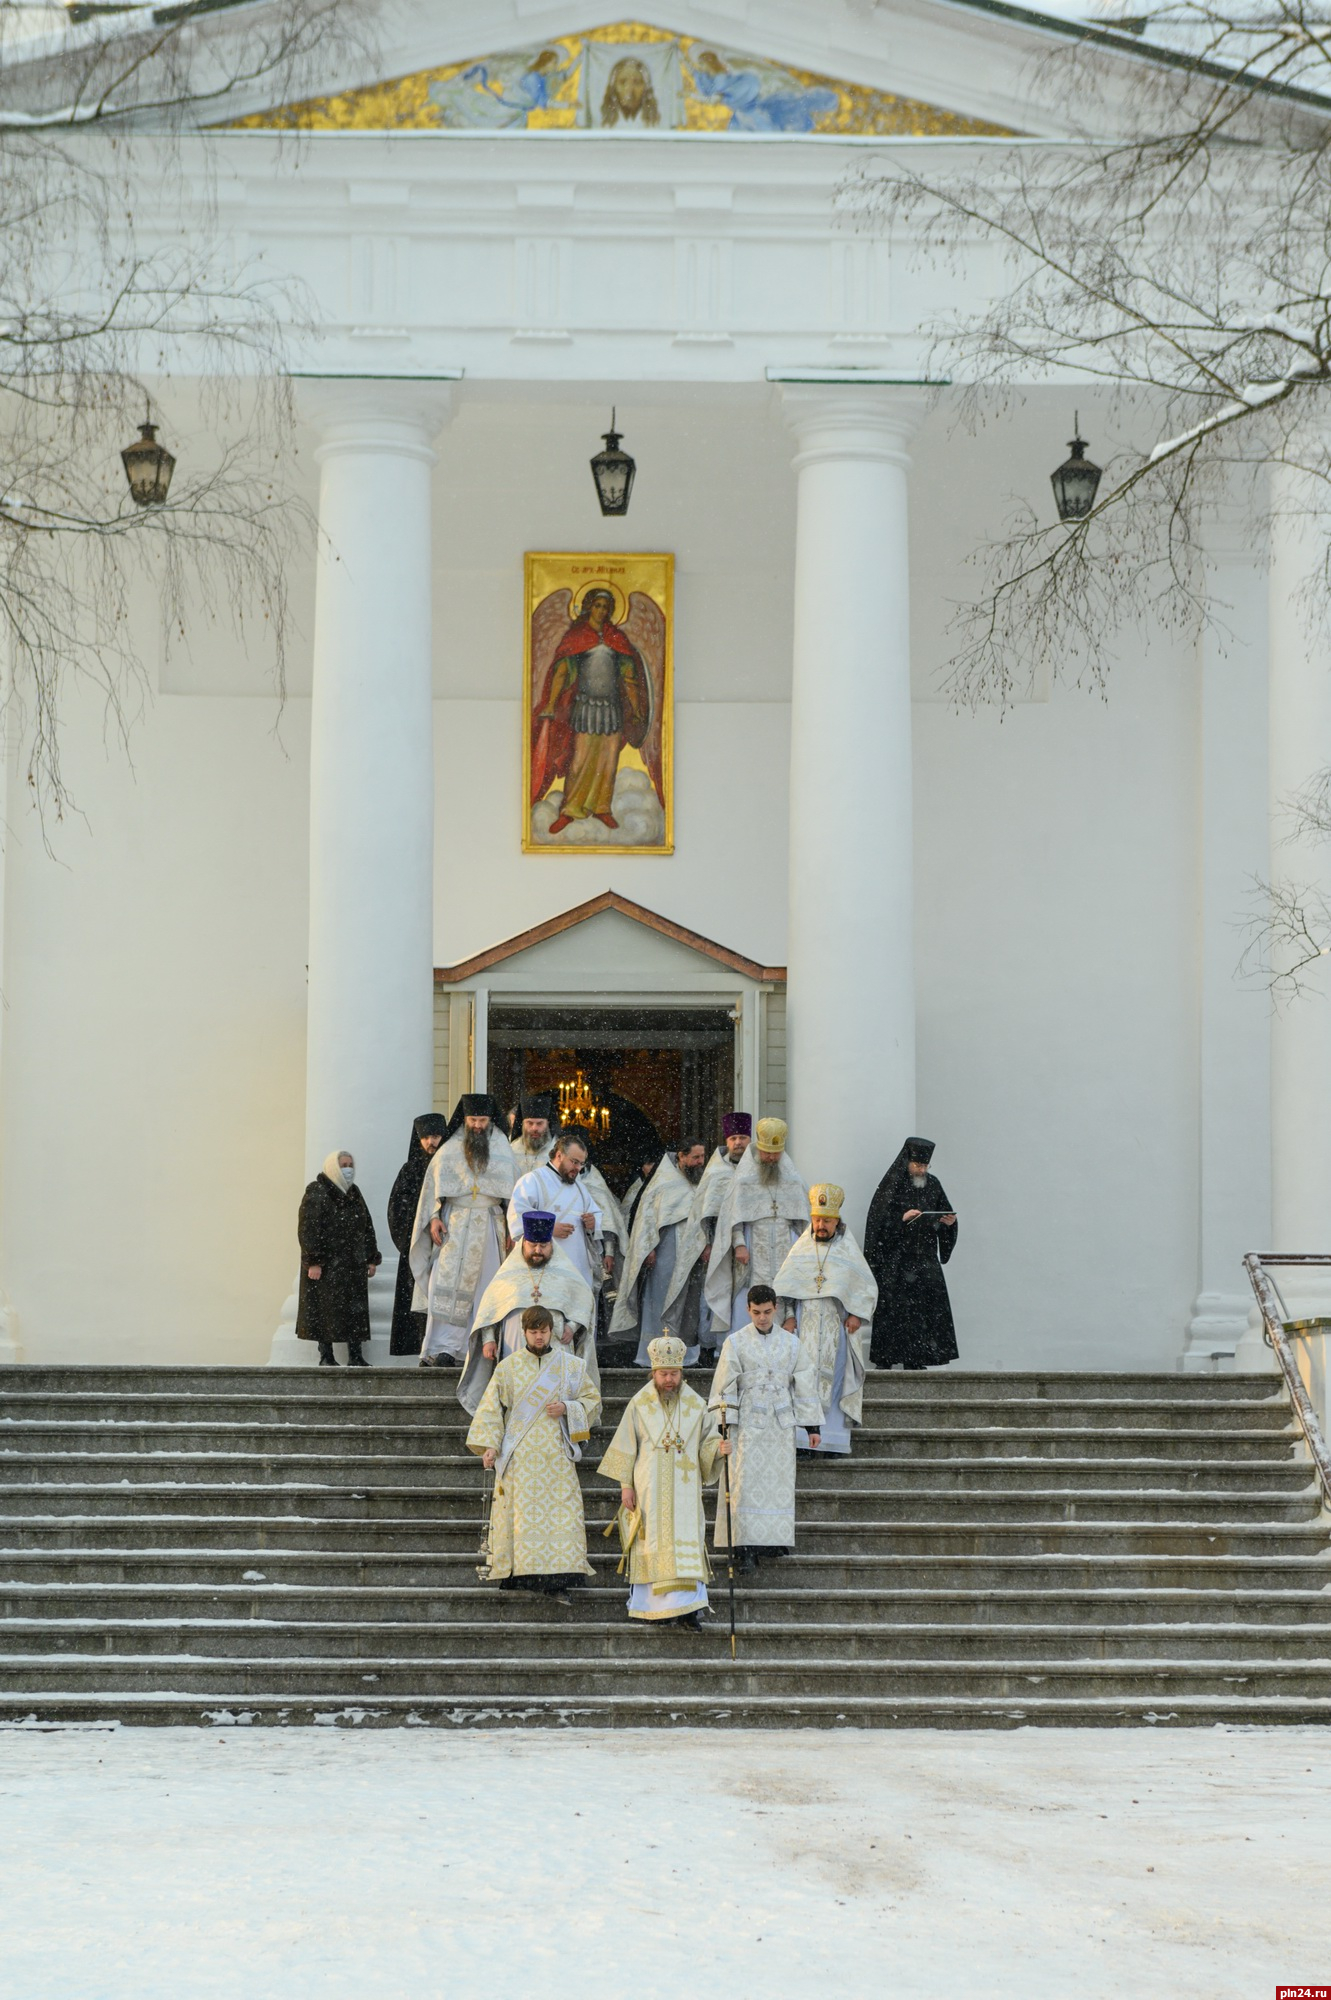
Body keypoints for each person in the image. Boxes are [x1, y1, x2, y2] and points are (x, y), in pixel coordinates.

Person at [466, 1304, 601, 1605]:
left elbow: (593, 1400)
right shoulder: (508, 1367)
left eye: (543, 1331)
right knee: (521, 1517)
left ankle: (559, 1578)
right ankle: (518, 1574)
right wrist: (490, 1445)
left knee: (558, 1517)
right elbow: (491, 1409)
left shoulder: (571, 1366)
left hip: (556, 1455)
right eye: (533, 1332)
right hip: (520, 1456)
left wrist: (569, 1408)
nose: (539, 1337)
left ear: (551, 1331)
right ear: (524, 1332)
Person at [597, 1334, 727, 1628]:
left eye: (674, 1373)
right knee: (652, 1541)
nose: (669, 1379)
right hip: (648, 1488)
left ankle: (689, 1609)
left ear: (682, 1373)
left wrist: (718, 1449)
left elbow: (708, 1441)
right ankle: (653, 1608)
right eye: (663, 1373)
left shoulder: (696, 1404)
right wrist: (625, 1486)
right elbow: (626, 1445)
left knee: (685, 1543)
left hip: (684, 1490)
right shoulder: (639, 1403)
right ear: (653, 1373)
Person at [707, 1285, 821, 1572]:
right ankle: (744, 1547)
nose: (762, 1318)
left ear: (776, 1309)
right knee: (745, 1482)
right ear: (748, 1310)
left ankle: (772, 1540)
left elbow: (805, 1380)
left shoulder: (792, 1343)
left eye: (767, 1312)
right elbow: (725, 1383)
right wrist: (723, 1426)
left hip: (780, 1424)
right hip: (747, 1423)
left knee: (777, 1483)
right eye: (756, 1312)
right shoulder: (735, 1342)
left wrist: (811, 1425)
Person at [530, 586, 653, 833]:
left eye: (605, 607)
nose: (601, 610)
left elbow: (630, 677)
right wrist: (552, 703)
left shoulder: (616, 638)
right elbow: (562, 671)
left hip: (612, 709)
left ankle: (602, 808)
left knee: (607, 761)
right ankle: (570, 810)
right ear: (589, 607)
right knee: (579, 761)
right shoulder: (577, 637)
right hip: (585, 707)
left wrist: (638, 708)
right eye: (597, 605)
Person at [409, 1094, 516, 1369]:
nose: (478, 1126)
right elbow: (432, 1189)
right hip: (454, 1222)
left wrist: (512, 1230)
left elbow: (514, 1196)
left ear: (491, 1120)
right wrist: (433, 1218)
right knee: (444, 1285)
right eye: (473, 1120)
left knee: (485, 1286)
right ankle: (443, 1347)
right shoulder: (450, 1147)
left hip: (490, 1225)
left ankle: (479, 1346)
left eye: (482, 1120)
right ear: (464, 1120)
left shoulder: (502, 1146)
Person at [459, 1210, 598, 1417]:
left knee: (555, 1392)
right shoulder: (508, 1274)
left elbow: (583, 1300)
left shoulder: (565, 1272)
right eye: (533, 1245)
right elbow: (491, 1307)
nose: (537, 1251)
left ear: (552, 1245)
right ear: (523, 1243)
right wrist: (488, 1339)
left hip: (557, 1341)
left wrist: (573, 1325)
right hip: (514, 1342)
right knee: (518, 1389)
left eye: (543, 1246)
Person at [775, 1184, 878, 1457]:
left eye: (827, 1220)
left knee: (833, 1384)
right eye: (817, 1219)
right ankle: (801, 1441)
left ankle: (832, 1441)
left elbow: (866, 1286)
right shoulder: (800, 1250)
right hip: (804, 1326)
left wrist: (856, 1314)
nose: (821, 1225)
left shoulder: (848, 1250)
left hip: (837, 1328)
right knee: (802, 1382)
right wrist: (787, 1318)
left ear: (837, 1221)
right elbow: (785, 1290)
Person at [704, 1117, 808, 1333]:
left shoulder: (792, 1178)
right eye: (766, 1152)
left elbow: (803, 1219)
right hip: (753, 1244)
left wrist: (802, 1247)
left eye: (775, 1153)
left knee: (785, 1289)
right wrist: (739, 1244)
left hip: (784, 1243)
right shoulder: (744, 1178)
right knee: (750, 1291)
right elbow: (732, 1218)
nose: (771, 1157)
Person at [864, 1137, 959, 1370]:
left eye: (925, 1166)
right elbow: (877, 1225)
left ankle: (916, 1358)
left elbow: (944, 1213)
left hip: (924, 1261)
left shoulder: (933, 1185)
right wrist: (901, 1219)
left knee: (921, 1312)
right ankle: (886, 1358)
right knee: (893, 1312)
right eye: (918, 1165)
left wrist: (949, 1223)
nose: (921, 1170)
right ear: (907, 1161)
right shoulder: (891, 1186)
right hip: (896, 1262)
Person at [610, 1140, 707, 1364]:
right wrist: (649, 1249)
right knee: (661, 1299)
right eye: (696, 1157)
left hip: (692, 1250)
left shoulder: (701, 1180)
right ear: (681, 1157)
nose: (700, 1162)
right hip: (666, 1249)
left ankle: (687, 1355)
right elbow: (646, 1220)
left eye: (702, 1157)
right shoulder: (663, 1182)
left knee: (689, 1300)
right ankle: (653, 1353)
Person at [664, 1112, 751, 1354]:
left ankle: (741, 1345)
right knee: (713, 1295)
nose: (738, 1143)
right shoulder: (716, 1171)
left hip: (749, 1247)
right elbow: (705, 1212)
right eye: (734, 1137)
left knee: (743, 1297)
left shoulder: (756, 1169)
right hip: (718, 1248)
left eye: (743, 1137)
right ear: (727, 1140)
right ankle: (712, 1348)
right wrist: (707, 1243)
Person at [296, 1151, 381, 1366]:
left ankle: (355, 1355)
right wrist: (313, 1260)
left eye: (351, 1164)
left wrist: (371, 1257)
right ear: (333, 1167)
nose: (348, 1168)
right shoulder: (317, 1191)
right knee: (323, 1310)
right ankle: (326, 1356)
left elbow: (366, 1225)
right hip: (327, 1265)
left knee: (355, 1310)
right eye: (343, 1164)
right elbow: (308, 1228)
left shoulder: (354, 1192)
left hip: (352, 1263)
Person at [509, 1130, 610, 1293]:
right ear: (559, 1155)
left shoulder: (580, 1188)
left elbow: (597, 1215)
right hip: (545, 1265)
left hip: (577, 1266)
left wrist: (592, 1223)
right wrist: (548, 1229)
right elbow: (516, 1218)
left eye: (581, 1164)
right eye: (574, 1162)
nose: (578, 1168)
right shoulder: (532, 1180)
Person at [385, 1113, 446, 1357]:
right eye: (427, 1137)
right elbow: (396, 1210)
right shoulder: (410, 1170)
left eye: (437, 1136)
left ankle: (441, 1348)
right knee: (417, 1302)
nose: (432, 1142)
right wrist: (411, 1240)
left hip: (446, 1245)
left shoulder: (449, 1167)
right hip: (416, 1246)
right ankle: (423, 1348)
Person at [509, 1092, 558, 1170]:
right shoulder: (512, 1150)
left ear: (548, 1124)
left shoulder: (559, 1150)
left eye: (540, 1123)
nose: (534, 1128)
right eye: (529, 1123)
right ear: (522, 1124)